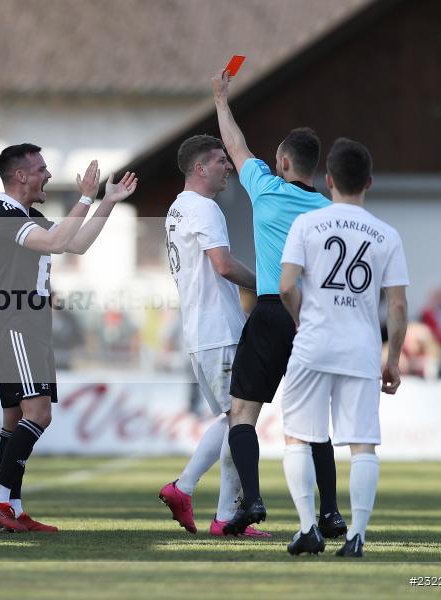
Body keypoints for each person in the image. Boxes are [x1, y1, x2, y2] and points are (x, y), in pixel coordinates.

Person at [213, 69, 344, 536]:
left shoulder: (266, 190)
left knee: (243, 413)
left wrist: (221, 100)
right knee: (314, 420)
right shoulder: (329, 211)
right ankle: (330, 511)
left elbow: (235, 147)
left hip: (270, 311)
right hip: (313, 317)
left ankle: (252, 502)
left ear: (283, 161)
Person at [0, 143, 137, 532]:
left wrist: (107, 201)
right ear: (21, 176)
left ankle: (11, 506)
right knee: (39, 413)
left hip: (30, 327)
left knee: (16, 418)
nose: (48, 175)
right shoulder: (3, 215)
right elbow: (54, 243)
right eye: (42, 169)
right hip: (15, 325)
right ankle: (0, 500)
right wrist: (84, 195)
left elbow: (73, 243)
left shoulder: (27, 215)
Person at [279, 138, 408, 557]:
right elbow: (398, 303)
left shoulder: (307, 224)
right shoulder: (387, 235)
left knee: (298, 436)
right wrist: (394, 360)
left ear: (328, 179)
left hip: (314, 343)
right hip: (361, 348)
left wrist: (301, 320)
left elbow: (285, 286)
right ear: (368, 182)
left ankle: (306, 529)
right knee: (362, 444)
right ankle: (357, 536)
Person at [158, 135, 268, 538]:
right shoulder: (204, 208)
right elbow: (222, 265)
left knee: (233, 418)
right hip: (219, 328)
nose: (229, 167)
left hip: (200, 331)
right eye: (222, 161)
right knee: (240, 420)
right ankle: (186, 489)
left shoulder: (176, 208)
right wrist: (266, 285)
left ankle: (223, 516)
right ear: (200, 168)